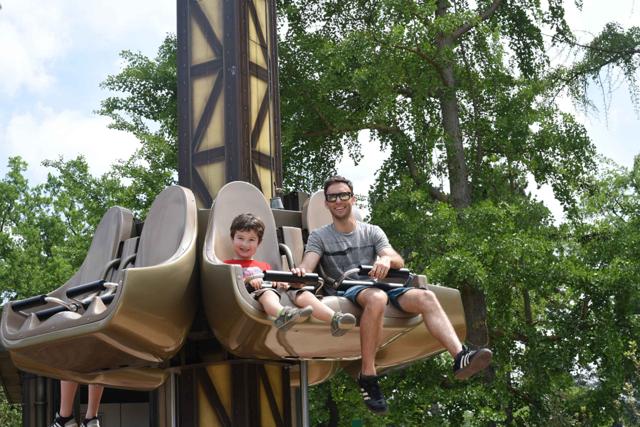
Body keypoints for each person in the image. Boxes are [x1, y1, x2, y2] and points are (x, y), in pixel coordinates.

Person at [291, 176, 493, 414]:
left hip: (382, 284)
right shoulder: (320, 236)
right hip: (349, 286)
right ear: (326, 203)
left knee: (426, 297)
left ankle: (460, 356)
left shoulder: (372, 232)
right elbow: (308, 264)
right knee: (377, 298)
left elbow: (396, 258)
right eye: (332, 197)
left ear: (352, 199)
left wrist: (386, 260)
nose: (338, 201)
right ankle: (368, 374)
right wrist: (299, 272)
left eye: (343, 195)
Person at [224, 213, 356, 335]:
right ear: (232, 238)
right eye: (240, 238)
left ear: (258, 243)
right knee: (268, 293)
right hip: (252, 295)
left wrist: (280, 282)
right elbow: (230, 286)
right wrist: (248, 281)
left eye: (251, 240)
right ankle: (283, 315)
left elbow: (274, 282)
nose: (245, 244)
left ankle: (335, 319)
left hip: (272, 292)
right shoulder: (227, 265)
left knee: (301, 293)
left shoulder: (264, 266)